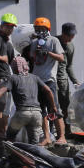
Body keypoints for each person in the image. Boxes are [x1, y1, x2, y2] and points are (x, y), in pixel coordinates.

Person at [0, 56, 56, 145]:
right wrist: (53, 106)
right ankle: (34, 155)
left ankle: (8, 154)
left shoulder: (13, 78)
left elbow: (1, 91)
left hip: (22, 114)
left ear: (14, 67)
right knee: (34, 143)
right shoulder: (35, 78)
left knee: (10, 136)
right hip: (37, 115)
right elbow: (48, 90)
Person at [26, 17, 66, 145]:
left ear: (47, 29)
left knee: (54, 109)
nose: (39, 31)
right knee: (41, 110)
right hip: (36, 80)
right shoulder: (34, 42)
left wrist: (48, 53)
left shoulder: (54, 40)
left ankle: (62, 137)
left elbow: (61, 58)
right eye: (37, 29)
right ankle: (47, 137)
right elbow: (33, 59)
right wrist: (37, 51)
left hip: (49, 80)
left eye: (41, 29)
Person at [56, 23, 79, 133]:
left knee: (66, 107)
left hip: (63, 81)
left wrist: (75, 81)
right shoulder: (54, 41)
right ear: (63, 34)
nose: (72, 38)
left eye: (73, 35)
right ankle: (52, 131)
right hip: (50, 79)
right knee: (52, 107)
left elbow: (69, 66)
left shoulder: (71, 46)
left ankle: (67, 131)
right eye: (69, 35)